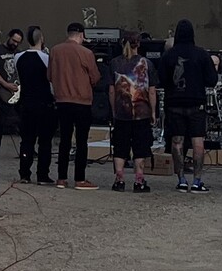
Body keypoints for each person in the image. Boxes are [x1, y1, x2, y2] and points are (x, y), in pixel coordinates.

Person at [160, 18, 215, 192]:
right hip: (196, 102)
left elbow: (161, 80)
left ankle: (181, 180)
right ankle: (197, 181)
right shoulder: (201, 54)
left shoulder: (168, 55)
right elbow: (212, 80)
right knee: (198, 141)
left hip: (174, 102)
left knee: (177, 141)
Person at [47, 22, 101, 189]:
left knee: (64, 139)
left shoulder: (55, 51)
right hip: (82, 101)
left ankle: (61, 178)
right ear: (81, 35)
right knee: (81, 141)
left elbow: (49, 76)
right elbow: (95, 77)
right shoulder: (86, 53)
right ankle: (80, 178)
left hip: (62, 100)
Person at [106, 33, 160, 193]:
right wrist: (153, 112)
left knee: (120, 146)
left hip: (121, 113)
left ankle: (119, 180)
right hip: (141, 113)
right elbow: (151, 91)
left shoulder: (114, 63)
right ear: (139, 45)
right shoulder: (147, 63)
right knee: (140, 147)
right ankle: (139, 180)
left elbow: (111, 90)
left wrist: (114, 109)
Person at [11, 30, 56, 184]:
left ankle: (24, 173)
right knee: (45, 141)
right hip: (44, 103)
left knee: (27, 140)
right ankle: (42, 174)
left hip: (26, 102)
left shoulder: (18, 57)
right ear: (41, 39)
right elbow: (51, 81)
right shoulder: (46, 58)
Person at [0, 29, 25, 158]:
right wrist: (5, 84)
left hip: (17, 89)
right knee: (0, 122)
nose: (15, 44)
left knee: (23, 120)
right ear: (9, 37)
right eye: (14, 40)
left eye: (18, 42)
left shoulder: (18, 53)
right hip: (3, 90)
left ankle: (25, 149)